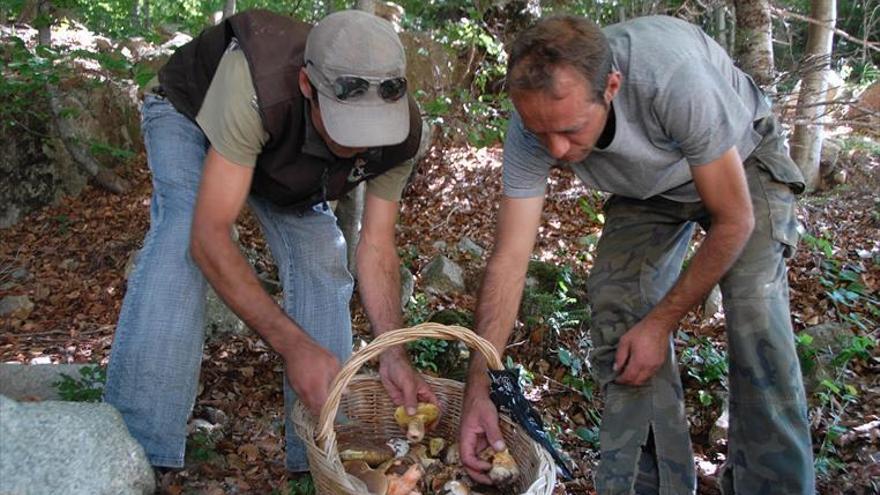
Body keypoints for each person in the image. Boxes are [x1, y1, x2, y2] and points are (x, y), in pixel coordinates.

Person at [459, 14, 814, 494]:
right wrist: (479, 386)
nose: (557, 149)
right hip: (647, 189)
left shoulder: (671, 77)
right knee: (621, 314)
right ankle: (649, 486)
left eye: (569, 129)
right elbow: (509, 261)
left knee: (755, 312)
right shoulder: (535, 122)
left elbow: (735, 220)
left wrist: (662, 322)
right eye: (540, 133)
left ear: (611, 86)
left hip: (741, 159)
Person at [104, 9, 437, 473]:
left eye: (371, 132)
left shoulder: (404, 133)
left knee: (323, 255)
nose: (361, 146)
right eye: (347, 126)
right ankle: (131, 456)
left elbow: (377, 247)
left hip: (282, 156)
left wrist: (393, 353)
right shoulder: (259, 83)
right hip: (194, 116)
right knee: (183, 234)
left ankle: (322, 458)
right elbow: (209, 237)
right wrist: (293, 346)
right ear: (307, 86)